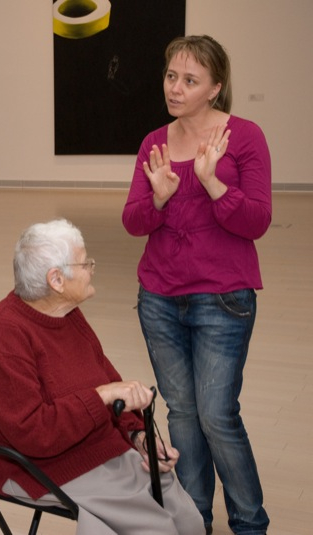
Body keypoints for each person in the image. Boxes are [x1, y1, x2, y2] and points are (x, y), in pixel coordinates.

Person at [0, 219, 205, 535]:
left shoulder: (66, 313)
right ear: (56, 280)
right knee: (157, 529)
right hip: (37, 465)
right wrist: (101, 396)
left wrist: (137, 435)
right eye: (84, 263)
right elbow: (34, 433)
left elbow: (108, 381)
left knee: (190, 522)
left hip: (96, 444)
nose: (92, 268)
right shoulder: (1, 337)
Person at [122, 35, 271, 535]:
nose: (176, 88)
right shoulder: (154, 143)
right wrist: (159, 199)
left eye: (190, 80)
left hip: (223, 299)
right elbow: (133, 221)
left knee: (217, 416)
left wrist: (213, 183)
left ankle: (249, 523)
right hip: (159, 299)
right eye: (171, 76)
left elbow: (257, 221)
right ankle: (193, 520)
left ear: (215, 88)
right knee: (182, 414)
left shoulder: (244, 137)